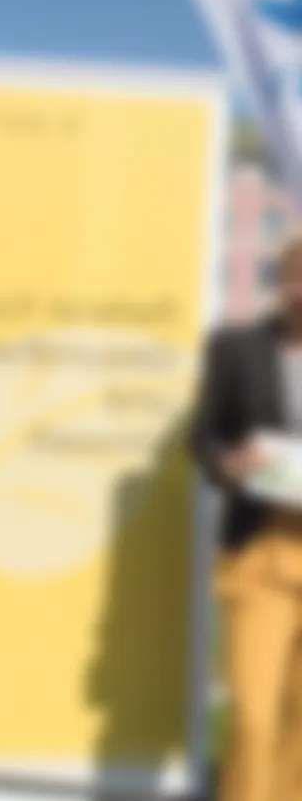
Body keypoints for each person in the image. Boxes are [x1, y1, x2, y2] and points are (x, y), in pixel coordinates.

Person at [192, 233, 302, 801]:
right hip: (259, 552)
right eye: (297, 277)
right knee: (256, 718)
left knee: (298, 728)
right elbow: (203, 437)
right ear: (282, 283)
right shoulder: (238, 350)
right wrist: (230, 465)